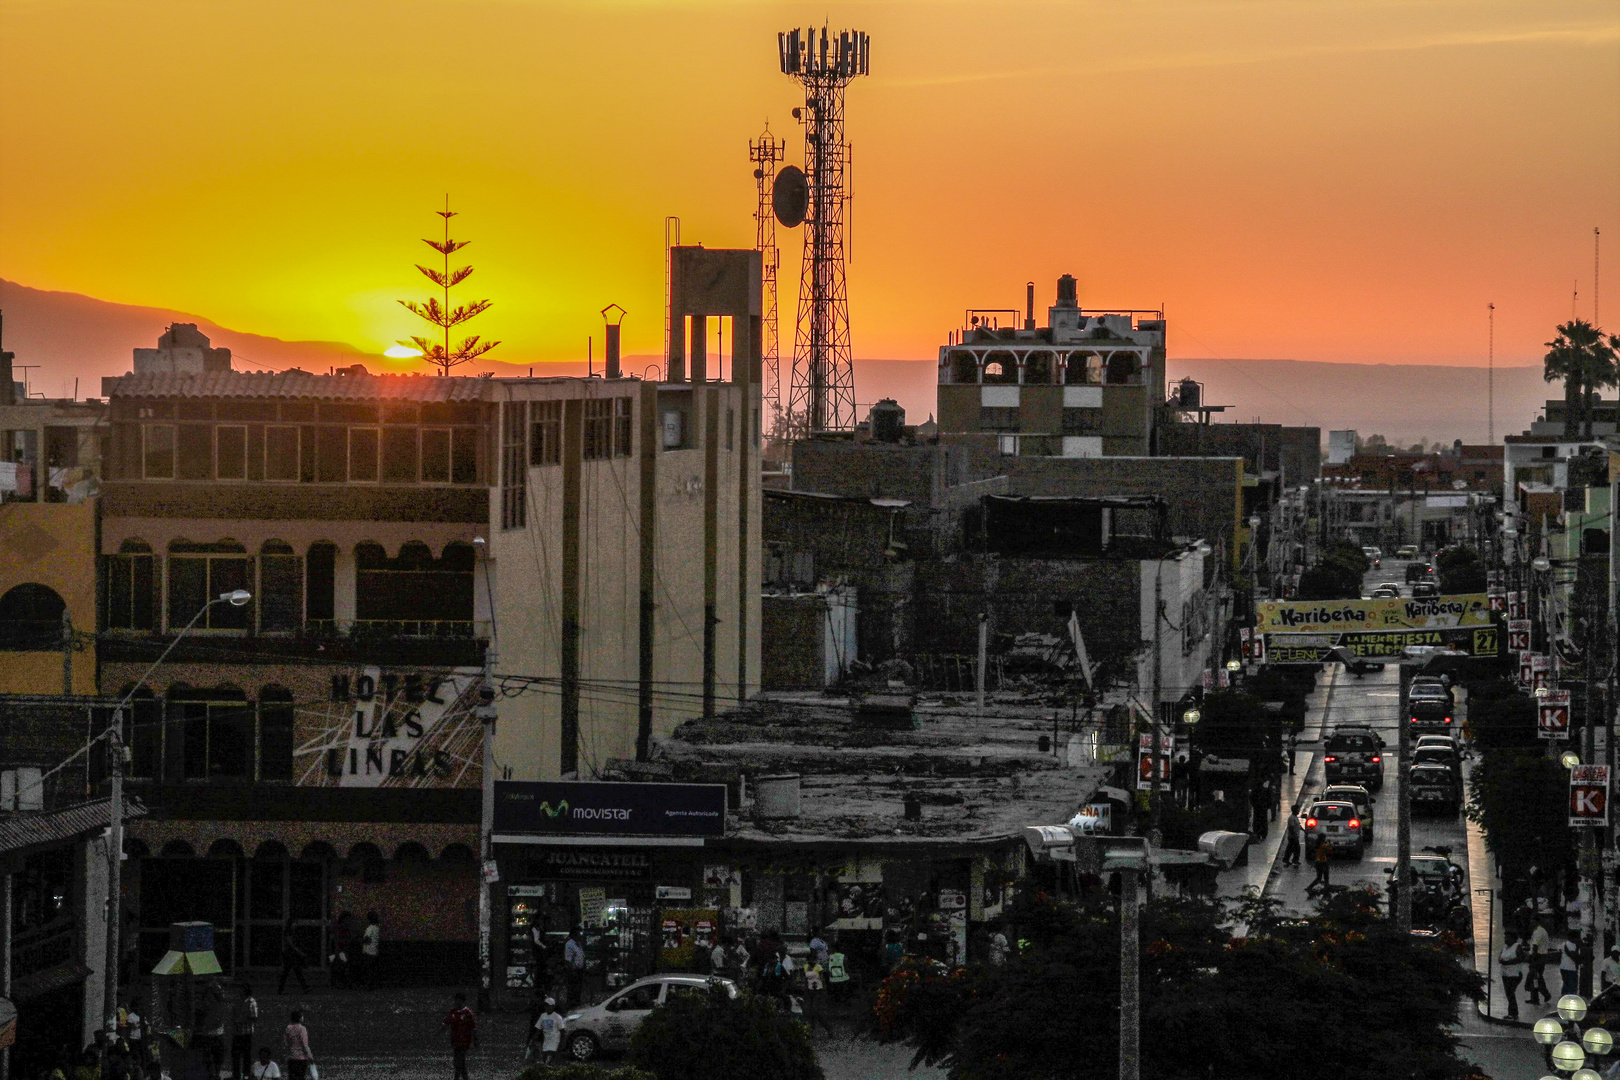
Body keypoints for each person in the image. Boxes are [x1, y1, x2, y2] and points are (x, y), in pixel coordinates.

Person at [195, 980, 227, 1080]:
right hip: (208, 1033)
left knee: (217, 1056)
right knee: (208, 1056)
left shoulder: (217, 1002)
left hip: (216, 1033)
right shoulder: (203, 1003)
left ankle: (216, 1074)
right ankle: (210, 1074)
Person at [441, 992, 477, 1080]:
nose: (457, 1002)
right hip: (455, 1041)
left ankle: (456, 1078)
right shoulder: (453, 1012)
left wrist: (475, 1040)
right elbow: (446, 1023)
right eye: (456, 1000)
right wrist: (439, 1031)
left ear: (463, 1001)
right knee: (460, 1063)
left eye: (460, 1000)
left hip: (464, 1041)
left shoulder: (468, 1013)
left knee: (458, 1063)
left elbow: (473, 1027)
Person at [230, 983, 259, 1080]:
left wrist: (243, 1019)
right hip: (237, 1031)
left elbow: (254, 1017)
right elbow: (233, 1013)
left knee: (246, 1054)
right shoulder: (237, 1001)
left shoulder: (251, 1002)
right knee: (236, 1055)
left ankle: (246, 1073)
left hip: (246, 1031)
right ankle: (236, 1074)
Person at [1499, 931, 1527, 1021]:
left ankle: (1513, 1013)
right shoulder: (1504, 947)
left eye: (1507, 937)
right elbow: (1500, 957)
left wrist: (1508, 962)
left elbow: (1521, 958)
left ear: (1513, 938)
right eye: (1505, 937)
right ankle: (1511, 1013)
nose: (1505, 939)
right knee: (1509, 994)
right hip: (1505, 974)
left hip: (1514, 974)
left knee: (1510, 993)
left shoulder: (1517, 947)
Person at [277, 922, 308, 995]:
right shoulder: (289, 933)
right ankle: (305, 987)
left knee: (293, 971)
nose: (296, 924)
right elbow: (292, 945)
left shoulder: (290, 932)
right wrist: (300, 953)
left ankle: (305, 987)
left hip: (290, 955)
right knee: (292, 971)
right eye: (294, 923)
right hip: (289, 955)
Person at [1527, 921, 1553, 1005]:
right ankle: (1534, 997)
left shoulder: (1537, 932)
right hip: (1541, 956)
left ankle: (1545, 994)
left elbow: (1535, 946)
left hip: (1537, 957)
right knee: (1535, 977)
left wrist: (1533, 960)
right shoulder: (1542, 931)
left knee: (1537, 977)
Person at [282, 1010, 313, 1080]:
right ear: (300, 1018)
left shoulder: (288, 1028)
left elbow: (286, 1043)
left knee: (292, 1077)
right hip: (301, 1058)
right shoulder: (302, 1029)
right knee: (301, 1077)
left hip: (291, 1057)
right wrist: (310, 1056)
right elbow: (305, 1044)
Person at [535, 998, 564, 1066]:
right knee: (545, 1058)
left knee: (550, 1059)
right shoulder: (543, 1016)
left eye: (548, 1006)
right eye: (545, 1006)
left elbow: (562, 1031)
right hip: (546, 1041)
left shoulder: (557, 1017)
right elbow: (538, 1028)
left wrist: (561, 1044)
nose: (546, 1007)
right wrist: (534, 1039)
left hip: (555, 1041)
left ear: (553, 1006)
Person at [563, 927, 586, 1009]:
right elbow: (568, 959)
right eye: (579, 933)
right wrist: (572, 970)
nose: (580, 935)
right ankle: (571, 1006)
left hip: (579, 969)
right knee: (573, 989)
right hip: (573, 970)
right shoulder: (569, 944)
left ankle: (576, 1003)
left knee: (578, 989)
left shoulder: (578, 944)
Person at [330, 912, 354, 989]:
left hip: (343, 950)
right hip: (338, 950)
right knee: (340, 966)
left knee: (341, 966)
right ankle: (338, 983)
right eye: (348, 919)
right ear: (344, 920)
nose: (350, 921)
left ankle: (337, 982)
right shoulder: (339, 928)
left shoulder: (346, 929)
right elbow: (335, 940)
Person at [360, 911, 382, 990]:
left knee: (367, 970)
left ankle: (367, 986)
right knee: (372, 970)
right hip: (374, 951)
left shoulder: (369, 928)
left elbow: (367, 939)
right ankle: (372, 985)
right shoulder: (377, 928)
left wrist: (360, 940)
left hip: (368, 952)